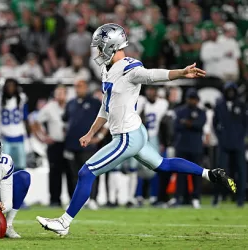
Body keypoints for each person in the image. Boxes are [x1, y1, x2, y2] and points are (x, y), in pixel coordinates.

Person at [37, 23, 236, 236]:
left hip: (126, 137)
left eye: (100, 46)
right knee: (162, 165)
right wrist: (90, 133)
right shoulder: (109, 69)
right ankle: (211, 174)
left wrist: (181, 72)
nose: (97, 51)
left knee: (87, 172)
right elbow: (106, 108)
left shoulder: (128, 67)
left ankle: (64, 222)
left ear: (111, 46)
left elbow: (151, 75)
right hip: (135, 132)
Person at [62, 79, 101, 210]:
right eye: (77, 86)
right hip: (72, 144)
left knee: (90, 173)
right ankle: (76, 201)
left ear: (86, 88)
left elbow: (106, 119)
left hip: (88, 145)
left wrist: (99, 136)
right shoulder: (71, 103)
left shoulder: (95, 103)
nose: (79, 89)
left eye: (81, 86)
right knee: (73, 174)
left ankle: (93, 199)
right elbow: (66, 121)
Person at [213, 83, 247, 207]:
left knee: (241, 171)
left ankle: (240, 198)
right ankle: (217, 197)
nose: (230, 93)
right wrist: (220, 137)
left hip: (238, 144)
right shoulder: (219, 105)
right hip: (224, 144)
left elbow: (245, 124)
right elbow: (214, 123)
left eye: (232, 90)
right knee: (220, 171)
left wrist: (241, 138)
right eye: (228, 90)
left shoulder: (241, 105)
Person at [33, 85, 67, 207]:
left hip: (68, 143)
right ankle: (54, 199)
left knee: (70, 172)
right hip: (55, 143)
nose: (60, 96)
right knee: (54, 172)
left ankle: (72, 199)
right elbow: (35, 122)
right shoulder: (49, 107)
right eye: (58, 93)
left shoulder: (71, 106)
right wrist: (43, 137)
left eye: (62, 93)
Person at [173, 88, 206, 209]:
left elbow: (199, 125)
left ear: (197, 100)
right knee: (180, 173)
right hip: (182, 146)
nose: (191, 101)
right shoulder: (180, 111)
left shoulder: (201, 112)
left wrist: (187, 123)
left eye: (194, 99)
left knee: (196, 173)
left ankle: (196, 198)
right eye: (190, 98)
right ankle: (180, 197)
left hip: (196, 147)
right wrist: (191, 124)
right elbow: (176, 126)